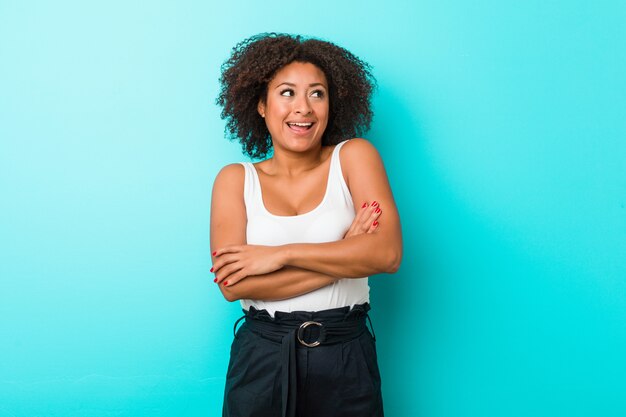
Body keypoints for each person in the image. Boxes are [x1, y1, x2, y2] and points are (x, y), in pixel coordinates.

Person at [210, 33, 403, 417]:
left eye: (317, 93)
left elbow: (386, 254)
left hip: (346, 356)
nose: (304, 108)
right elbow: (235, 287)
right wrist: (346, 252)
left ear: (333, 104)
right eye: (286, 93)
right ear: (261, 105)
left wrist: (279, 255)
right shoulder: (235, 180)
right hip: (262, 357)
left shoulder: (354, 157)